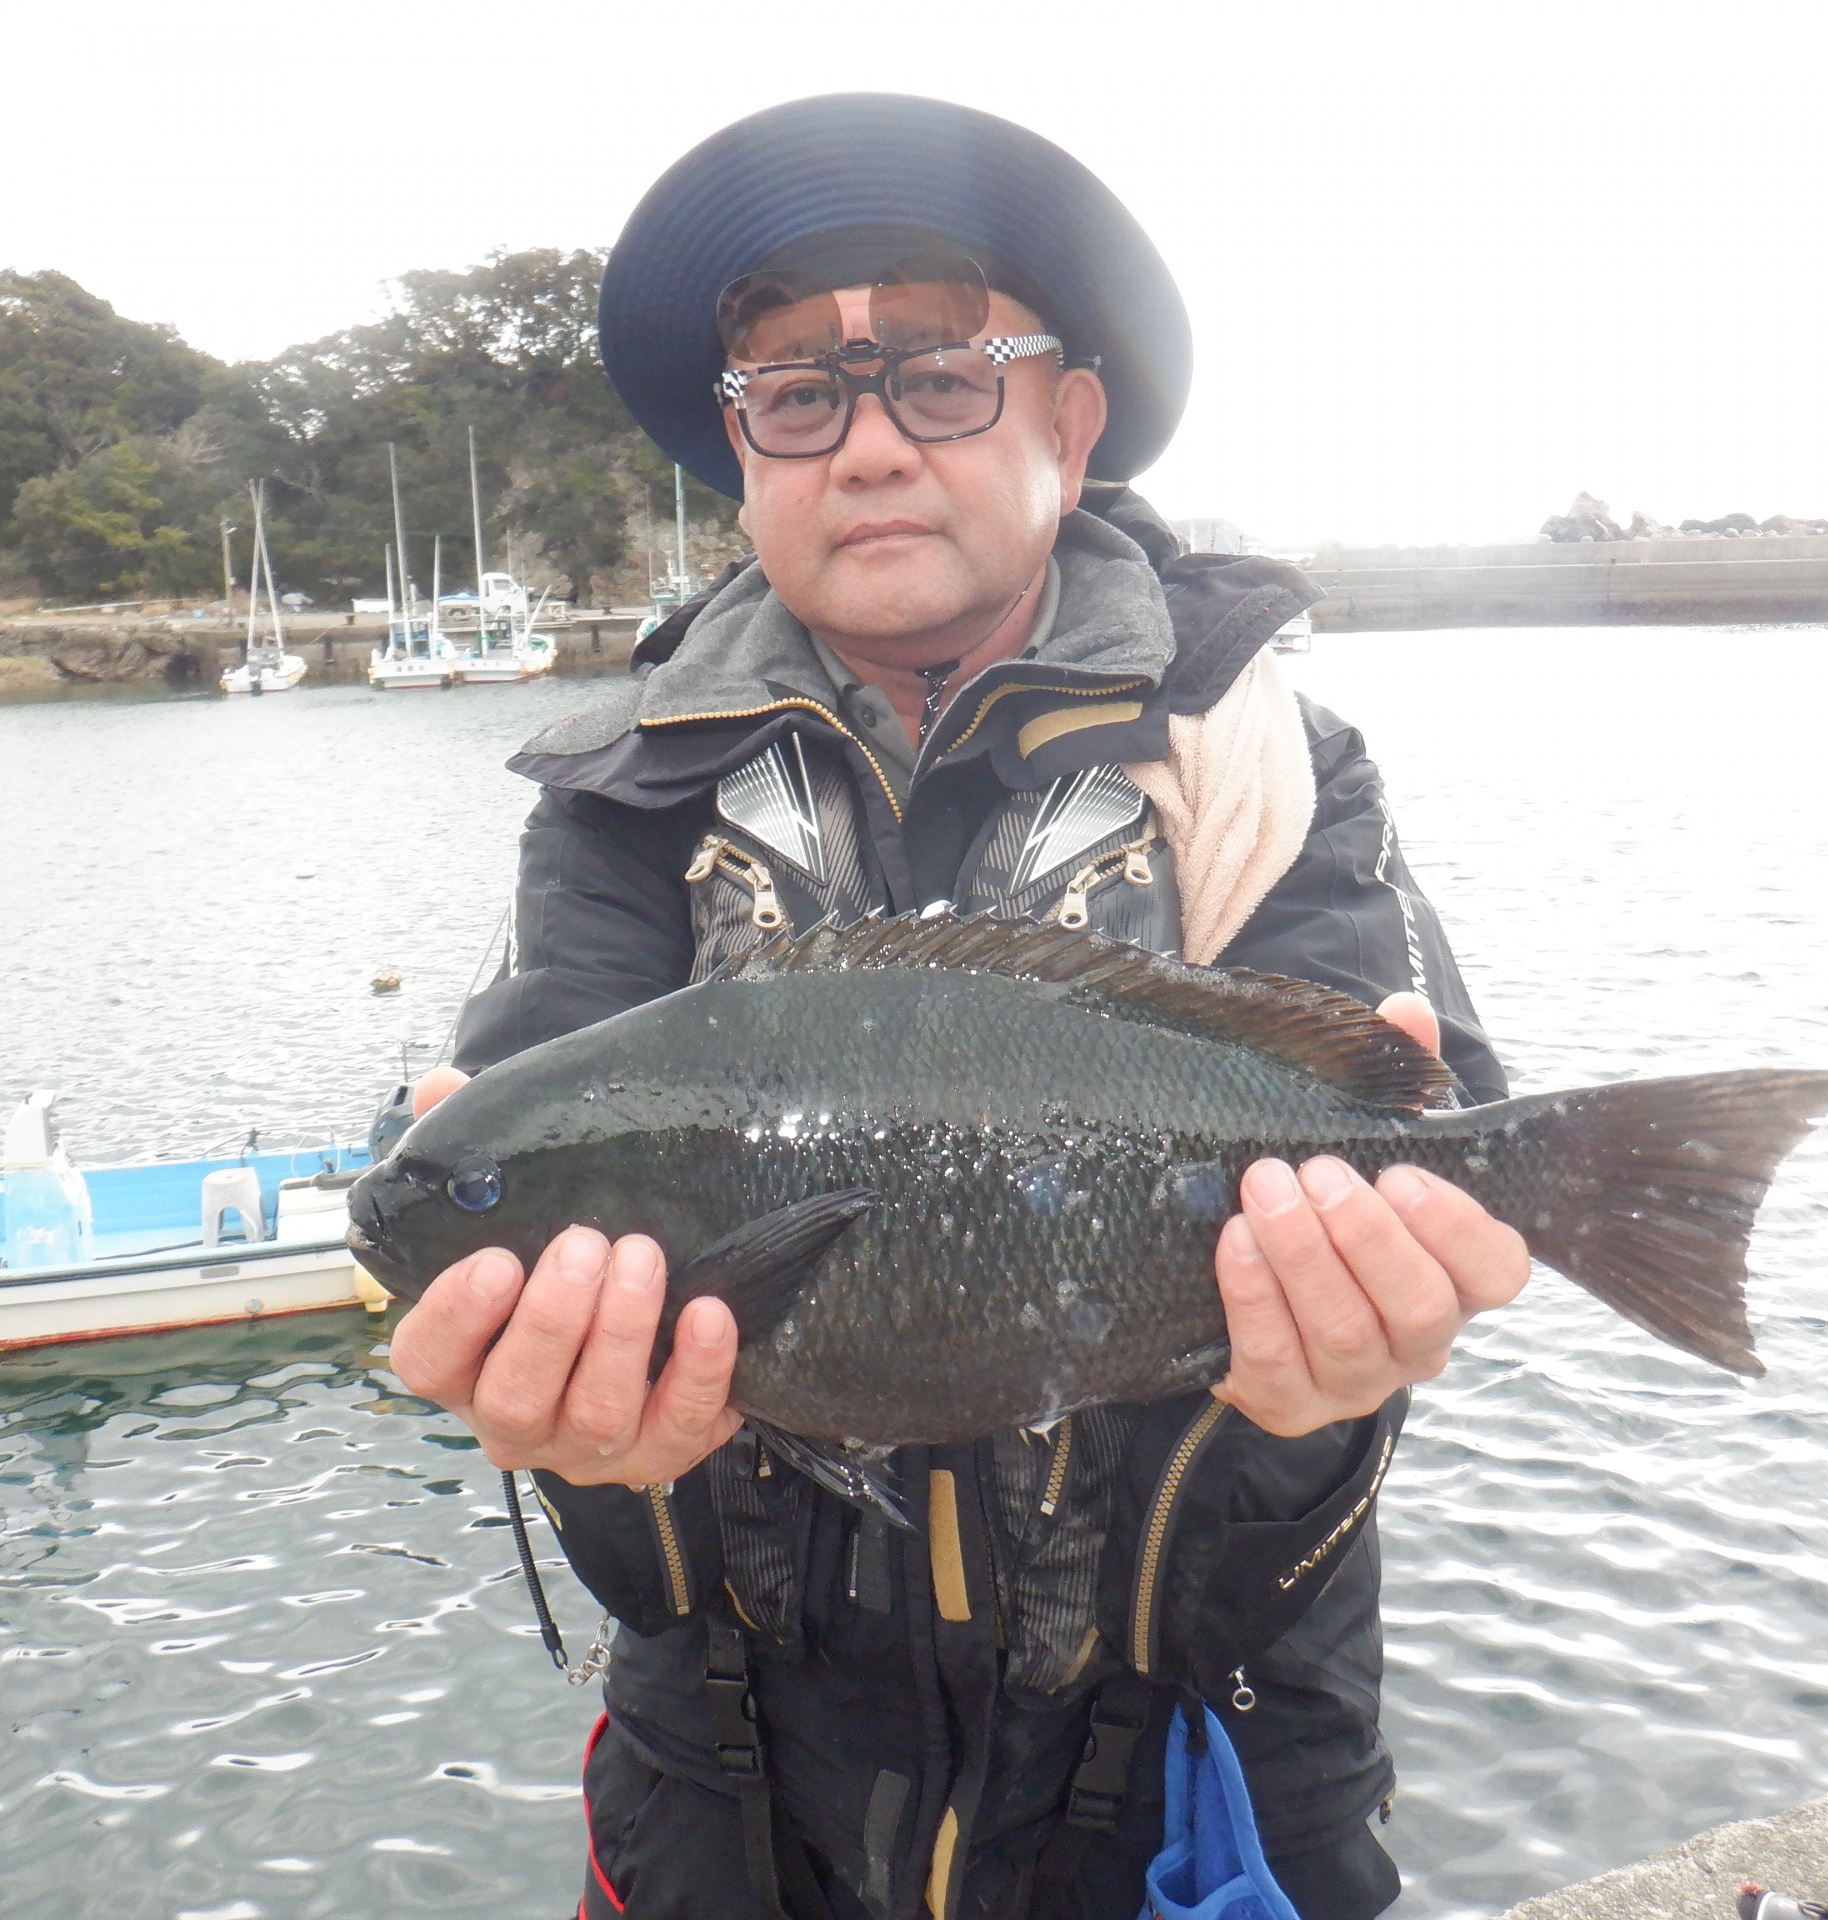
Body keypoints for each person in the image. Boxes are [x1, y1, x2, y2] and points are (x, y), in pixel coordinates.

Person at [389, 94, 1530, 1920]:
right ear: (742, 455)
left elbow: (1416, 1123)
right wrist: (575, 1432)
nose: (866, 448)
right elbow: (552, 1183)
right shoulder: (619, 800)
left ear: (1067, 426)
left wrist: (1356, 1340)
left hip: (1203, 1770)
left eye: (937, 376)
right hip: (730, 1802)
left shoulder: (1269, 759)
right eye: (796, 394)